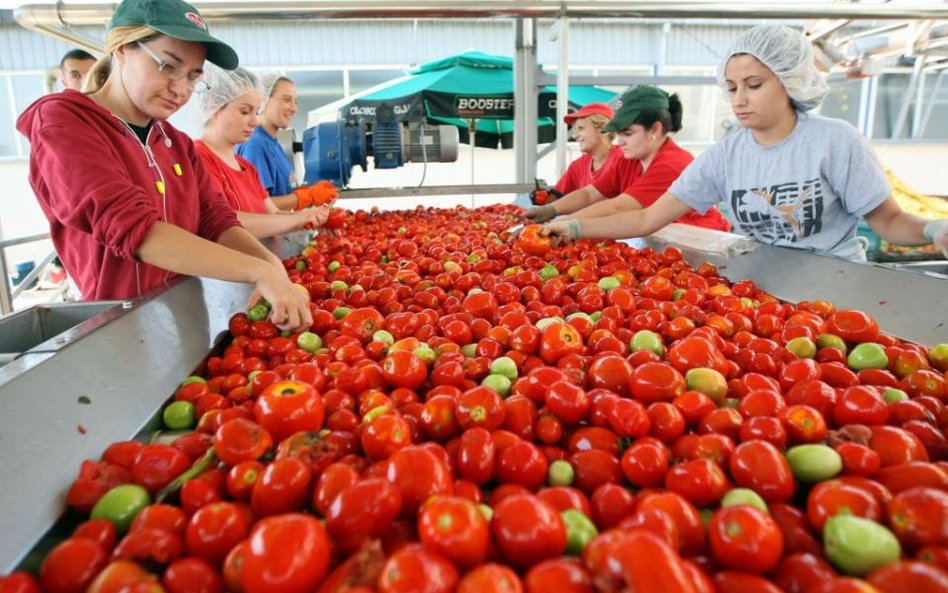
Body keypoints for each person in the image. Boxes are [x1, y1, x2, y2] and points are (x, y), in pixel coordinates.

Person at [16, 0, 311, 329]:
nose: (180, 89)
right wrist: (259, 271)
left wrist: (273, 267)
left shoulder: (176, 143)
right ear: (123, 48)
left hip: (183, 315)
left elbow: (216, 220)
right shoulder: (65, 121)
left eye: (193, 76)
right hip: (116, 325)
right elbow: (134, 228)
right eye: (168, 66)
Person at [543, 25, 948, 261]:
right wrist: (573, 227)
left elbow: (889, 222)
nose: (739, 98)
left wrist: (934, 229)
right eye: (732, 87)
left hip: (837, 283)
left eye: (754, 85)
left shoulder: (834, 142)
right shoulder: (727, 155)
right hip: (764, 282)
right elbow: (649, 218)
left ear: (790, 82)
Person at [526, 85, 730, 231]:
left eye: (628, 133)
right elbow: (589, 194)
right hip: (662, 240)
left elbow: (619, 206)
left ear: (655, 129)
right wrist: (550, 209)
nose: (619, 141)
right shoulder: (628, 159)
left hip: (702, 243)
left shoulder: (672, 164)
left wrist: (561, 225)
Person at [196, 64, 331, 239]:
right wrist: (301, 216)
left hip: (262, 262)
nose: (254, 121)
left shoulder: (245, 167)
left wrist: (312, 218)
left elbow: (272, 214)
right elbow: (224, 222)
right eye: (245, 111)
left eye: (256, 111)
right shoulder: (198, 159)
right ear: (213, 107)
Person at [530, 102, 623, 205]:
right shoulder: (578, 166)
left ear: (603, 129)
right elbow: (556, 199)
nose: (574, 136)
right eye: (574, 129)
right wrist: (541, 197)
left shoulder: (625, 161)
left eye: (580, 128)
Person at [237, 73, 302, 207]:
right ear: (264, 100)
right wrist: (304, 197)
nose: (294, 108)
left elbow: (282, 192)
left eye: (295, 101)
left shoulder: (273, 143)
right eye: (286, 99)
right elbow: (259, 205)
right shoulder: (255, 144)